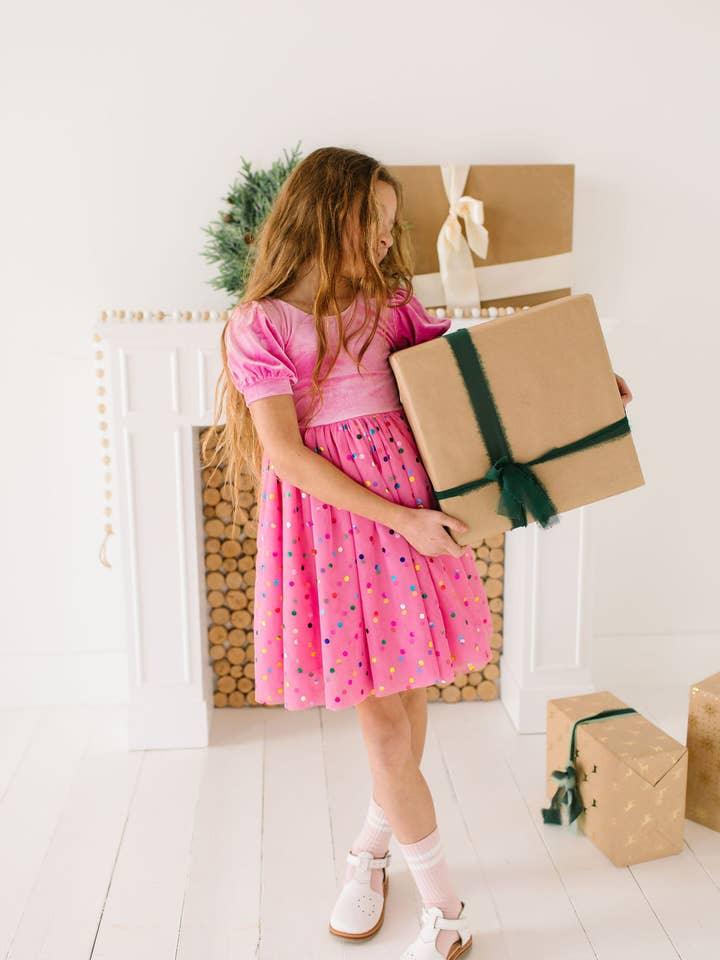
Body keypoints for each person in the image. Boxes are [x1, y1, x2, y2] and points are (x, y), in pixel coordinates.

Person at [207, 146, 632, 960]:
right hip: (338, 535)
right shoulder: (259, 325)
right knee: (383, 730)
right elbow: (288, 457)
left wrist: (584, 390)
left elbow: (471, 379)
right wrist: (399, 522)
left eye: (389, 227)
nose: (381, 241)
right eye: (373, 223)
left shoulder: (388, 303)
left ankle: (371, 852)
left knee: (404, 703)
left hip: (409, 520)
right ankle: (446, 908)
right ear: (327, 213)